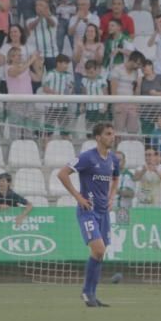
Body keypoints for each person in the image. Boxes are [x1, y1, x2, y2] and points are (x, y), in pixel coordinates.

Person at [57, 123, 121, 307]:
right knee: (99, 250)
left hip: (103, 212)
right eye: (108, 134)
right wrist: (78, 197)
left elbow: (116, 177)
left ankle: (91, 295)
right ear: (98, 137)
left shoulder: (113, 160)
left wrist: (111, 197)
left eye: (113, 133)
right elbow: (62, 174)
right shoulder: (87, 157)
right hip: (88, 212)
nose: (112, 137)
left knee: (99, 254)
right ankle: (87, 292)